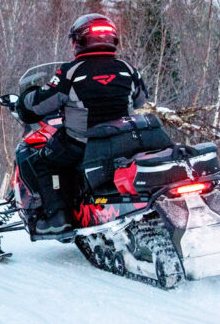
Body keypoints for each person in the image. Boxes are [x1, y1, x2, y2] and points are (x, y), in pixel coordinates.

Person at [16, 13, 165, 236]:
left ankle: (59, 218)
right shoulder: (127, 69)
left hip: (83, 143)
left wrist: (25, 99)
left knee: (43, 162)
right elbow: (140, 99)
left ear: (78, 41)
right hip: (125, 139)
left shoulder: (71, 72)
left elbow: (39, 103)